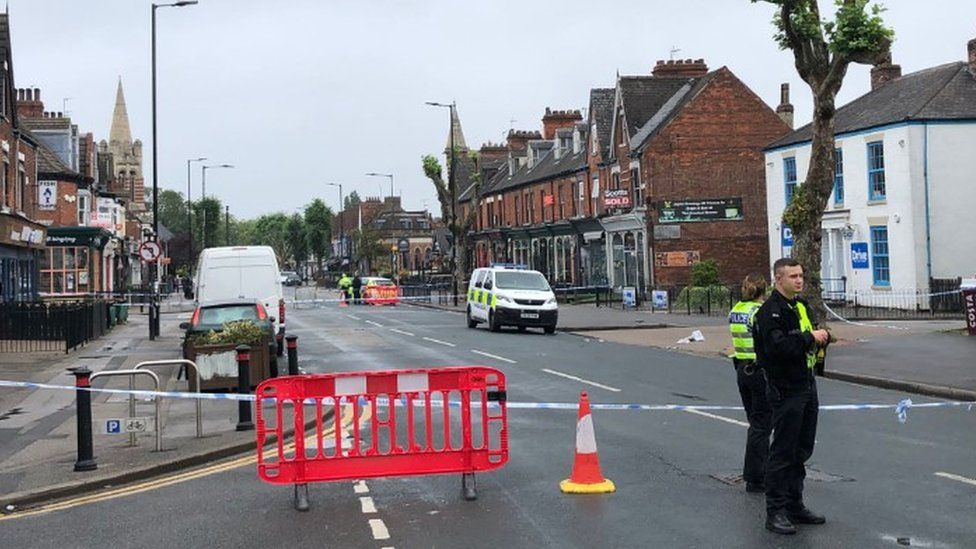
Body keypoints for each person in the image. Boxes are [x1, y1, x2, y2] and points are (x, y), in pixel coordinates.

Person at [754, 258, 830, 535]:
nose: (799, 280)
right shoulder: (770, 312)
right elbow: (778, 348)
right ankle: (775, 511)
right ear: (778, 279)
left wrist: (822, 337)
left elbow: (811, 335)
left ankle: (795, 504)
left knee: (801, 449)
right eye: (793, 276)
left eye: (801, 276)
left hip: (807, 384)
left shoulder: (800, 306)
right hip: (785, 387)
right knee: (783, 451)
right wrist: (810, 337)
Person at [728, 273, 770, 494]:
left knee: (755, 422)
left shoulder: (736, 310)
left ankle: (759, 471)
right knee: (762, 425)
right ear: (764, 290)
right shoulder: (759, 312)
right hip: (759, 371)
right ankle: (757, 476)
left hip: (741, 370)